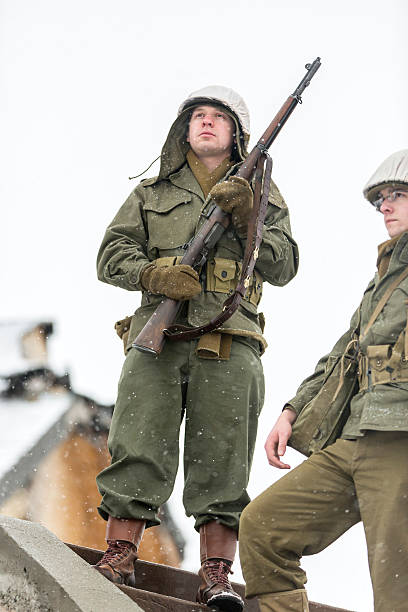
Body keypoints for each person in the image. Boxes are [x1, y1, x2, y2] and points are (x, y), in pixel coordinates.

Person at [93, 85, 299, 611]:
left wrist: (249, 215)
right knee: (138, 442)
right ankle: (120, 553)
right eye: (197, 117)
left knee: (223, 459)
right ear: (184, 129)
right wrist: (153, 273)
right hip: (157, 343)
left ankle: (215, 574)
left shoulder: (264, 196)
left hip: (230, 343)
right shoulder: (151, 193)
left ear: (236, 134)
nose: (206, 124)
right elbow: (110, 255)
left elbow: (283, 265)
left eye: (218, 118)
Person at [239, 149, 408, 612]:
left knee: (398, 587)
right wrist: (293, 410)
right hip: (356, 436)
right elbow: (344, 352)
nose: (385, 207)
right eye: (381, 199)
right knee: (263, 528)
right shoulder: (386, 277)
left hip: (401, 440)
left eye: (396, 195)